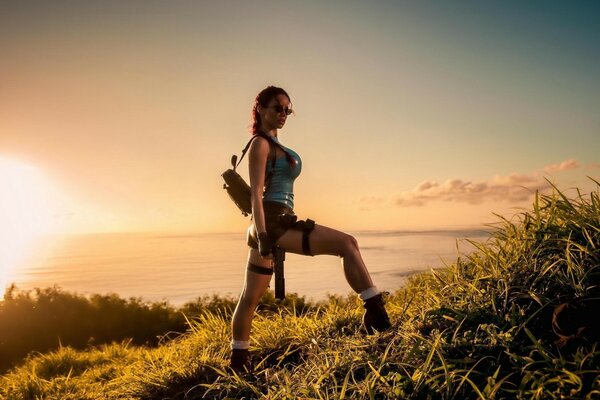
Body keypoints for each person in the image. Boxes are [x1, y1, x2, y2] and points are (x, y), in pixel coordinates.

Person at [229, 85, 391, 372]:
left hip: (276, 223)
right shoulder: (260, 144)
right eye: (277, 108)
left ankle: (238, 362)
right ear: (261, 109)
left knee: (249, 298)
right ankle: (377, 317)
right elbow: (255, 193)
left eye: (287, 109)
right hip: (272, 225)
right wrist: (265, 236)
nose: (283, 114)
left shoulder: (274, 144)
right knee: (347, 244)